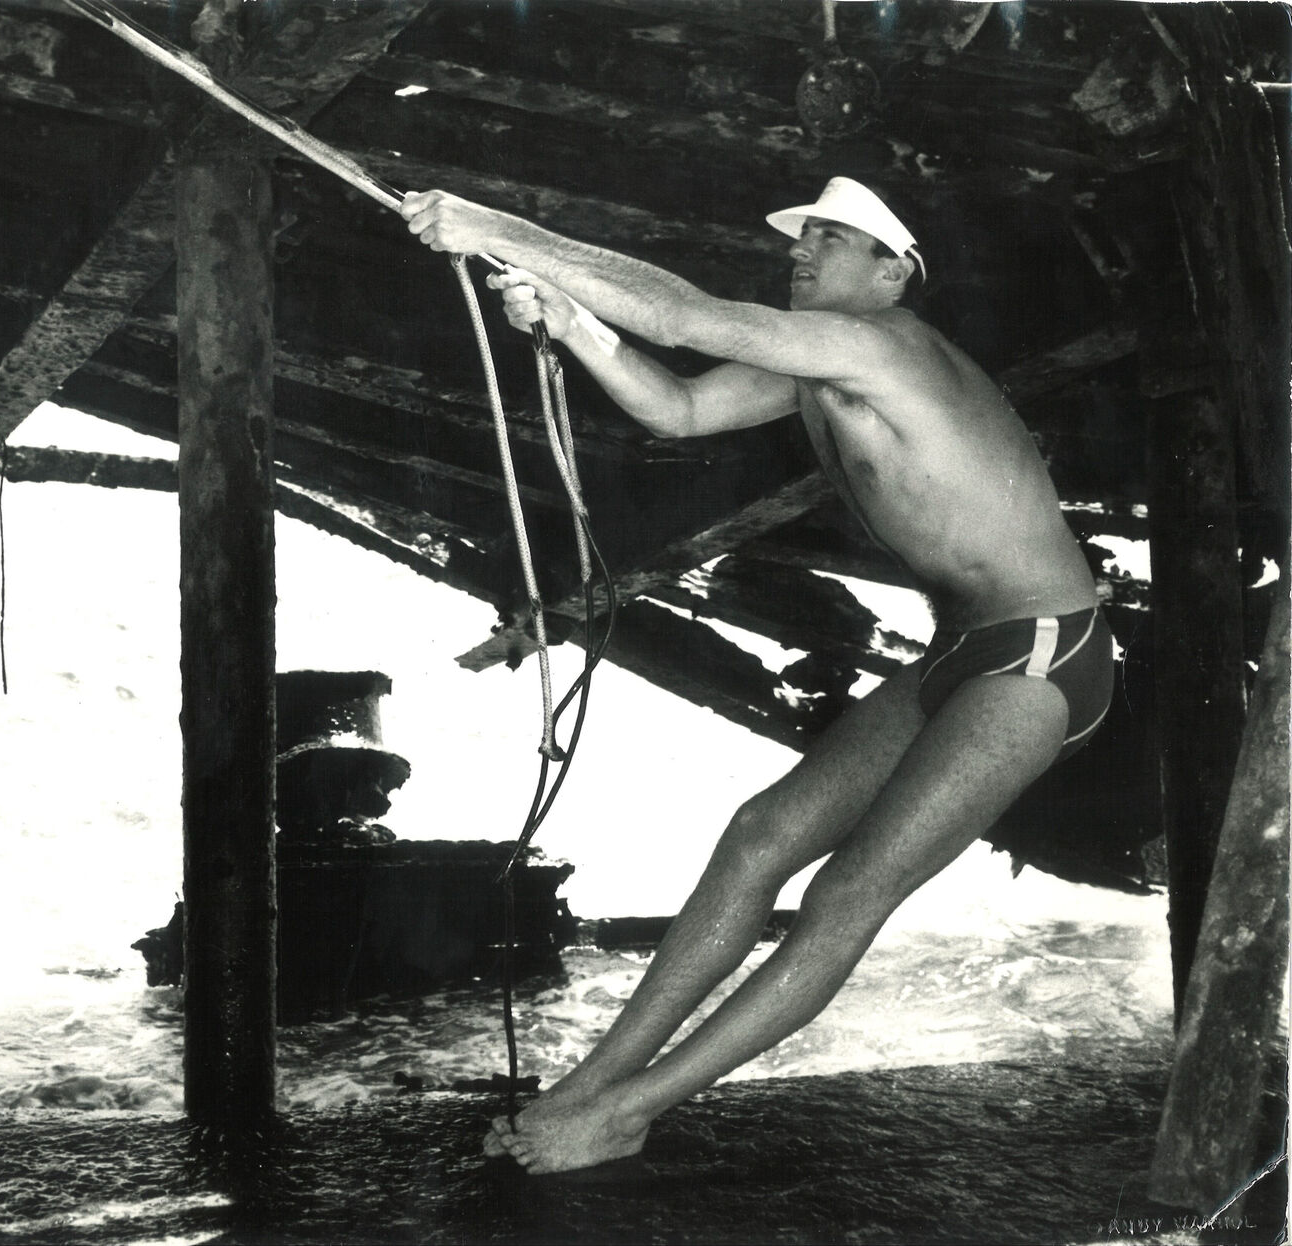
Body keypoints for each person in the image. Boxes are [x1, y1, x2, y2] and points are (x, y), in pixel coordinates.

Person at [400, 177, 1114, 1175]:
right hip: (959, 650)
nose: (804, 247)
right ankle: (590, 1084)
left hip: (1039, 656)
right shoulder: (819, 372)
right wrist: (569, 321)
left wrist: (495, 227)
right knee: (759, 834)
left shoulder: (884, 345)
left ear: (893, 269)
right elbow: (682, 407)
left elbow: (684, 315)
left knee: (845, 892)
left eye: (834, 235)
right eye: (803, 233)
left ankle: (628, 1110)